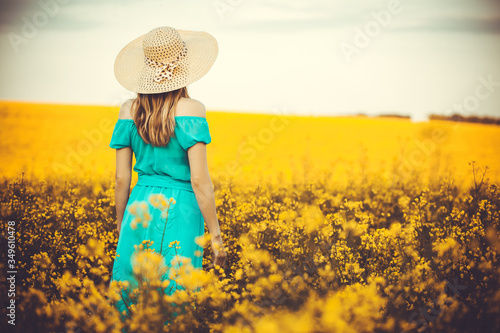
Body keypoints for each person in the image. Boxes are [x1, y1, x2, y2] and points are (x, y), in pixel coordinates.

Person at [109, 26, 227, 320]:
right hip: (182, 207)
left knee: (130, 293)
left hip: (139, 204)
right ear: (183, 65)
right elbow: (200, 181)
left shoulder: (128, 110)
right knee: (176, 294)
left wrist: (121, 224)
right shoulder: (192, 109)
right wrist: (216, 234)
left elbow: (121, 178)